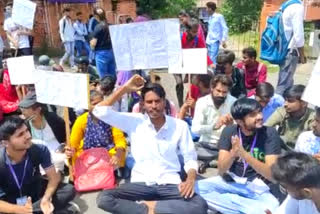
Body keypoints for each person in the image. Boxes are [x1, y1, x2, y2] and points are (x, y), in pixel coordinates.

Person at [93, 75, 208, 214]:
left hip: (170, 184)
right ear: (143, 103)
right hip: (141, 184)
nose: (154, 106)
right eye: (149, 102)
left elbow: (190, 158)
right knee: (104, 198)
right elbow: (98, 111)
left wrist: (190, 180)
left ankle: (151, 206)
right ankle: (147, 210)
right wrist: (124, 89)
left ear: (164, 102)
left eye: (157, 101)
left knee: (199, 205)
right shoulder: (134, 121)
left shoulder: (180, 126)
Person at [195, 98, 281, 213]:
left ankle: (230, 205)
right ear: (240, 121)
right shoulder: (229, 131)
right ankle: (242, 207)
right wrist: (233, 154)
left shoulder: (269, 133)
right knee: (196, 188)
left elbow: (272, 175)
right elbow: (221, 170)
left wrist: (245, 155)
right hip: (230, 183)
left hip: (256, 189)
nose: (260, 116)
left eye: (260, 112)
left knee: (273, 207)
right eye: (253, 115)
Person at [0, 116, 77, 213]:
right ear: (5, 143)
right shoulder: (1, 161)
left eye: (27, 131)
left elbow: (54, 178)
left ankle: (40, 208)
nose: (28, 136)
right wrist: (18, 209)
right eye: (20, 135)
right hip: (10, 202)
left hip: (35, 193)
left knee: (68, 190)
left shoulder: (39, 149)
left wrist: (46, 198)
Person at [66, 90, 127, 169]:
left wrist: (117, 155)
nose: (98, 107)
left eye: (100, 103)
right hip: (88, 154)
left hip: (108, 154)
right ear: (88, 106)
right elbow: (73, 142)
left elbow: (120, 140)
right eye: (94, 104)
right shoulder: (81, 120)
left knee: (119, 156)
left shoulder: (111, 117)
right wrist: (71, 151)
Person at [19, 93, 66, 172]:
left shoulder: (52, 119)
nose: (23, 112)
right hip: (38, 153)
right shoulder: (25, 124)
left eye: (26, 108)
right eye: (22, 108)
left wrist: (63, 148)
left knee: (59, 160)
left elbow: (66, 136)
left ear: (37, 109)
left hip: (57, 152)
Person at [192, 74, 236, 147]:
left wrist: (231, 125)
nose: (221, 95)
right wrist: (213, 126)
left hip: (227, 144)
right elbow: (195, 129)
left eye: (224, 92)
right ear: (212, 88)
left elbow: (240, 128)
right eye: (218, 91)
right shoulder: (202, 102)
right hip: (206, 143)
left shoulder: (233, 102)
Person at [265, 85, 315, 149]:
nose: (285, 104)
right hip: (282, 148)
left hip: (303, 152)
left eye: (290, 101)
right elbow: (265, 128)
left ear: (304, 103)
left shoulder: (313, 117)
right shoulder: (282, 111)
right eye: (285, 100)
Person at [275, 0, 306, 96]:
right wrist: (302, 55)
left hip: (282, 49)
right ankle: (276, 108)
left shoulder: (286, 6)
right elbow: (298, 35)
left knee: (287, 82)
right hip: (290, 50)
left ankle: (286, 106)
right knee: (284, 85)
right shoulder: (297, 7)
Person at [90, 8, 116, 78]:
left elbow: (93, 43)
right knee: (112, 75)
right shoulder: (110, 25)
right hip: (111, 52)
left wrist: (91, 47)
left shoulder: (98, 27)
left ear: (96, 16)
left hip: (101, 54)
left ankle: (106, 88)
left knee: (103, 76)